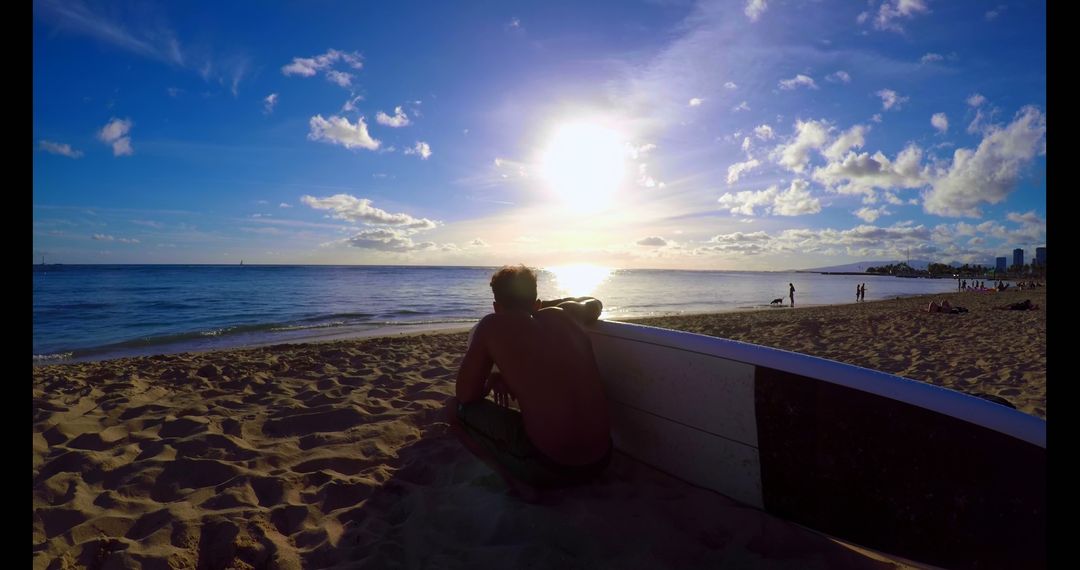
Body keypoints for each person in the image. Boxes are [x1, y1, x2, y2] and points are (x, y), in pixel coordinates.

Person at [446, 265, 612, 497]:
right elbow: (595, 303)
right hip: (602, 460)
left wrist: (495, 377)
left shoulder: (492, 324)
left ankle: (509, 479)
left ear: (496, 306)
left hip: (551, 467)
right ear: (537, 302)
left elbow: (466, 396)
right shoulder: (566, 314)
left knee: (453, 410)